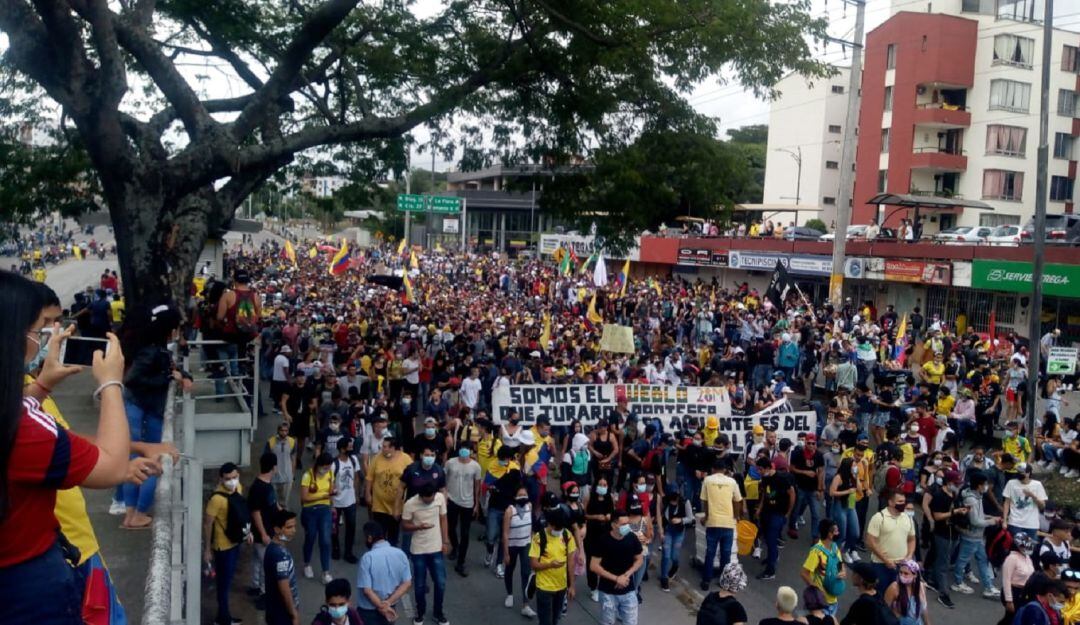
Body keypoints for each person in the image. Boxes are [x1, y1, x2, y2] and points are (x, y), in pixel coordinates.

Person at [0, 275, 132, 624]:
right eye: (38, 329)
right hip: (29, 586)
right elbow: (113, 466)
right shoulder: (25, 426)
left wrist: (42, 384)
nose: (46, 338)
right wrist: (111, 383)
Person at [119, 302, 191, 530]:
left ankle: (130, 514)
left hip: (138, 408)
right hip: (147, 412)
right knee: (153, 461)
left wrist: (180, 375)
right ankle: (138, 513)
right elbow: (132, 379)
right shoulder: (152, 351)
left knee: (134, 459)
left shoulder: (149, 347)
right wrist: (169, 380)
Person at [205, 462, 254, 625]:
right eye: (228, 479)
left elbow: (242, 514)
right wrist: (207, 549)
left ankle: (223, 617)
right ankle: (223, 619)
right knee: (223, 585)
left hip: (235, 542)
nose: (232, 481)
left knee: (227, 581)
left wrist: (248, 532)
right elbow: (208, 524)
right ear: (221, 479)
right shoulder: (216, 499)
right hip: (222, 546)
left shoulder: (238, 488)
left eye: (235, 477)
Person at [401, 480, 450, 625]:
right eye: (426, 500)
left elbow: (443, 519)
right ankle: (420, 613)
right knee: (420, 585)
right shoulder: (410, 504)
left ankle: (438, 613)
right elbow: (405, 526)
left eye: (431, 499)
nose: (429, 502)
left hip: (436, 548)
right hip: (418, 550)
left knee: (440, 583)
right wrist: (418, 527)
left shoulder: (440, 498)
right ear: (420, 496)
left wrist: (445, 541)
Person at [589, 509, 644, 625]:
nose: (627, 526)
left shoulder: (632, 538)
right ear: (614, 525)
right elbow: (593, 566)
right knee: (607, 622)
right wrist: (616, 578)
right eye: (623, 524)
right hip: (608, 592)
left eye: (628, 523)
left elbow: (639, 559)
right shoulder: (602, 541)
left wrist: (627, 574)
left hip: (628, 591)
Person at [952, 471, 1001, 599]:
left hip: (977, 536)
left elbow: (979, 516)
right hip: (971, 535)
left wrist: (989, 517)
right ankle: (958, 582)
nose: (986, 486)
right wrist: (991, 521)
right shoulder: (972, 500)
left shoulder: (976, 496)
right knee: (963, 560)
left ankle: (988, 586)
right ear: (979, 485)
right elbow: (975, 521)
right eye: (985, 484)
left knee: (982, 560)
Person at [356, 521, 412, 625]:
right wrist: (387, 604)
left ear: (369, 538)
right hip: (390, 607)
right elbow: (407, 583)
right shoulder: (400, 554)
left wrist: (381, 607)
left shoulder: (367, 558)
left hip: (368, 610)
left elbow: (367, 591)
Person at [529, 506, 577, 625]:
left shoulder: (567, 535)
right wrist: (550, 565)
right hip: (544, 587)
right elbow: (534, 564)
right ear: (549, 524)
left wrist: (571, 586)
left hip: (561, 587)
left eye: (561, 528)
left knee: (556, 618)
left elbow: (571, 562)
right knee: (546, 621)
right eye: (557, 528)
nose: (559, 531)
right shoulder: (539, 538)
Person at [700, 455, 742, 590]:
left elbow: (704, 501)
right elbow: (737, 501)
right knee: (726, 554)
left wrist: (706, 516)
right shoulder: (732, 482)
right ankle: (724, 582)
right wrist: (736, 516)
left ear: (713, 469)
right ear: (724, 469)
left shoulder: (707, 480)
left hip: (713, 522)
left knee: (710, 552)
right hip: (728, 523)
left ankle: (706, 580)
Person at [865, 489, 916, 594]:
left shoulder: (907, 518)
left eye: (904, 501)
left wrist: (909, 555)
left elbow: (911, 539)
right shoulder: (879, 518)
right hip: (880, 565)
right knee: (879, 595)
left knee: (897, 596)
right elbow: (870, 541)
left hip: (901, 566)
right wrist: (885, 560)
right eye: (900, 502)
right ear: (890, 502)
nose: (903, 504)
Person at [365, 436, 411, 544]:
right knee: (379, 534)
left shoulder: (406, 459)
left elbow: (411, 478)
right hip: (379, 505)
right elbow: (369, 478)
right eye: (382, 446)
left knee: (393, 534)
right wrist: (367, 493)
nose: (382, 449)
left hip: (396, 506)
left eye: (385, 447)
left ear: (393, 448)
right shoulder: (377, 458)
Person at [249, 452, 281, 609]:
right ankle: (263, 593)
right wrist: (263, 534)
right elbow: (256, 512)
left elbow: (271, 504)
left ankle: (255, 586)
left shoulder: (265, 484)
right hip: (263, 532)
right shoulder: (259, 487)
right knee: (265, 565)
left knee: (256, 560)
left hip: (263, 532)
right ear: (273, 467)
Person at [757, 457, 795, 580]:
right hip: (767, 512)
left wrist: (788, 513)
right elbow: (764, 494)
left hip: (778, 513)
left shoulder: (782, 478)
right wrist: (760, 508)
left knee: (772, 540)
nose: (759, 472)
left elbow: (792, 494)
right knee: (767, 538)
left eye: (761, 469)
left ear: (768, 468)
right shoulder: (765, 478)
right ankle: (772, 557)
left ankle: (770, 571)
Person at [445, 443, 481, 576]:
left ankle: (461, 562)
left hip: (467, 503)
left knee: (465, 533)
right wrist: (445, 497)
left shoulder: (475, 466)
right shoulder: (450, 463)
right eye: (462, 449)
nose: (464, 451)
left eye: (467, 449)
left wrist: (476, 504)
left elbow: (477, 486)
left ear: (471, 451)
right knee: (451, 528)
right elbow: (444, 479)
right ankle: (455, 546)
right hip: (452, 500)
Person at [301, 452, 336, 584]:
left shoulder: (330, 474)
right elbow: (304, 497)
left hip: (325, 510)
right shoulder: (307, 476)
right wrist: (322, 496)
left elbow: (331, 491)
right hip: (310, 510)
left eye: (328, 467)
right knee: (310, 537)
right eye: (325, 467)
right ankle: (307, 564)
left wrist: (332, 503)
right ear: (319, 464)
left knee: (325, 541)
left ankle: (325, 572)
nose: (326, 470)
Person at [502, 484, 536, 617]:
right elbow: (505, 533)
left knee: (526, 573)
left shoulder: (530, 506)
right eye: (520, 495)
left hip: (526, 544)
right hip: (512, 545)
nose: (523, 497)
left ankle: (525, 604)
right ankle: (509, 594)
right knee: (509, 569)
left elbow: (531, 526)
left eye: (525, 495)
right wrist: (505, 552)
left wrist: (533, 543)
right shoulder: (509, 511)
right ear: (515, 497)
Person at [800, 519, 845, 617]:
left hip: (833, 601)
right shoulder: (816, 551)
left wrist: (842, 571)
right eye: (836, 531)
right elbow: (804, 573)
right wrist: (817, 590)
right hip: (820, 603)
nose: (838, 533)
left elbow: (840, 564)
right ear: (829, 534)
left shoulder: (834, 547)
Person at [264, 508, 300, 625]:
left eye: (294, 526)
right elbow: (284, 588)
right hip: (281, 613)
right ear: (277, 529)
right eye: (289, 527)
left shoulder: (274, 548)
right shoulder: (280, 555)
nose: (294, 531)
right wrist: (293, 614)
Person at [584, 476, 616, 602]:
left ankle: (604, 584)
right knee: (591, 561)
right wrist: (595, 517)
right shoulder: (589, 497)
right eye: (600, 484)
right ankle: (593, 587)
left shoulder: (610, 498)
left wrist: (609, 516)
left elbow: (613, 514)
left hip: (605, 534)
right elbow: (584, 515)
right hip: (591, 533)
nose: (602, 487)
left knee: (605, 561)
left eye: (604, 485)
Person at [788, 433, 824, 541]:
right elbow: (791, 468)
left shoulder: (819, 455)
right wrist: (805, 472)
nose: (811, 445)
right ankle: (792, 527)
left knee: (816, 514)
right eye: (809, 443)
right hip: (800, 487)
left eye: (813, 443)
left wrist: (820, 489)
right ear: (805, 443)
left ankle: (815, 536)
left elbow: (821, 472)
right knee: (796, 509)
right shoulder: (798, 453)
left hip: (813, 489)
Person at [330, 437, 361, 564]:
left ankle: (348, 551)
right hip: (336, 502)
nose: (351, 449)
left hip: (350, 501)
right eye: (349, 447)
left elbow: (357, 478)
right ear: (342, 449)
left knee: (351, 527)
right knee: (334, 528)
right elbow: (330, 483)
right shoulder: (334, 464)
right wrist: (331, 502)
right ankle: (336, 548)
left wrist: (357, 495)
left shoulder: (353, 460)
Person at [659, 487, 694, 592]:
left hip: (679, 532)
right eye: (671, 501)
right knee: (666, 555)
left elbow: (690, 518)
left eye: (675, 500)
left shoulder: (685, 502)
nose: (673, 502)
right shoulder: (664, 501)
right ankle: (664, 578)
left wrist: (680, 520)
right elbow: (660, 515)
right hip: (668, 531)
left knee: (674, 555)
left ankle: (675, 566)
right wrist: (661, 531)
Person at [1003, 462, 1047, 541]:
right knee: (1016, 547)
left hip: (1031, 524)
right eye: (1018, 471)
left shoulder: (1037, 485)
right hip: (1015, 522)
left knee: (1029, 549)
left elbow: (1042, 506)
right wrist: (1005, 520)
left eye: (1021, 472)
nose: (1019, 473)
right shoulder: (1011, 483)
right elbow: (1006, 503)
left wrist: (1032, 496)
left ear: (1028, 473)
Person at [1000, 533, 1037, 625]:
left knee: (1019, 618)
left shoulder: (1028, 558)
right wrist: (1009, 600)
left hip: (1025, 592)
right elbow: (1006, 580)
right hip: (1014, 591)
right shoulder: (1012, 558)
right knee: (1011, 618)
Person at [883, 560, 930, 625]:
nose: (902, 575)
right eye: (900, 572)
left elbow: (924, 610)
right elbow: (884, 611)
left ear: (915, 575)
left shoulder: (921, 587)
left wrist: (927, 624)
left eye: (906, 573)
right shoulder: (894, 588)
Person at [266, 422, 297, 504]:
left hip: (287, 478)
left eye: (286, 431)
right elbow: (266, 459)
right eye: (282, 430)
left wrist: (292, 475)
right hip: (274, 478)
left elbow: (293, 459)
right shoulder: (270, 442)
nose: (284, 433)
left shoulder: (292, 442)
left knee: (284, 503)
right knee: (273, 502)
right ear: (278, 431)